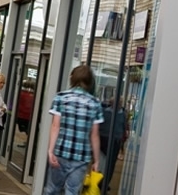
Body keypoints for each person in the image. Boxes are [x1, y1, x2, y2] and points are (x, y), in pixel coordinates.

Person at [44, 65, 103, 195]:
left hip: (60, 152)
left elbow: (55, 126)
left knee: (52, 189)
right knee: (72, 191)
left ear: (72, 78)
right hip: (81, 156)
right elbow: (94, 135)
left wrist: (50, 151)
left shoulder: (60, 98)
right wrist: (96, 160)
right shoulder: (95, 103)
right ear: (89, 82)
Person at [99, 99, 128, 188]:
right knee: (106, 162)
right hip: (105, 139)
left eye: (119, 103)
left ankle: (104, 183)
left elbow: (124, 128)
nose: (118, 104)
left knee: (108, 163)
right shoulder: (106, 112)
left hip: (112, 140)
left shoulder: (121, 115)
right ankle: (101, 182)